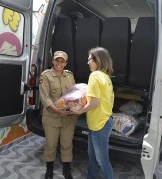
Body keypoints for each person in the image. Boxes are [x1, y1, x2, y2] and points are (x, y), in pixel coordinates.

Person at [72, 47, 114, 179]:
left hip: (99, 124)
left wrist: (79, 111)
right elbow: (100, 99)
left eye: (89, 59)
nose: (87, 62)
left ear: (98, 60)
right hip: (100, 121)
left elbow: (95, 102)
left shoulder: (95, 76)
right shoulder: (106, 77)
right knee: (92, 156)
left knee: (102, 160)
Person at [39, 51, 77, 179]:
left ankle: (66, 171)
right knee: (51, 144)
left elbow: (73, 94)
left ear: (65, 63)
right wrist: (57, 110)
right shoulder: (45, 76)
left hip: (68, 118)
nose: (59, 64)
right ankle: (49, 170)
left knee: (67, 144)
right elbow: (45, 98)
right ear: (53, 61)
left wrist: (76, 107)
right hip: (51, 117)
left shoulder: (69, 76)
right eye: (57, 60)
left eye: (62, 61)